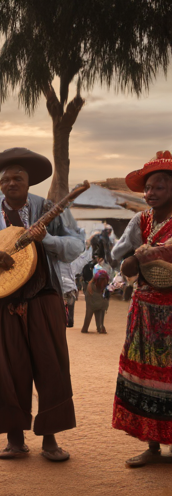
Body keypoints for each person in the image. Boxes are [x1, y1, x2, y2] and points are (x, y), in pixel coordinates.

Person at [0, 147, 84, 462]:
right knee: (1, 367)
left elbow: (76, 244)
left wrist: (46, 240)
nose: (11, 183)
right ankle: (15, 439)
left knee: (50, 366)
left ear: (29, 181)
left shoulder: (50, 208)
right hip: (1, 300)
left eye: (18, 177)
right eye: (5, 179)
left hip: (44, 299)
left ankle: (50, 440)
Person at [110, 150, 172, 467]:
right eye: (148, 188)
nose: (150, 193)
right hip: (144, 309)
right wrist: (128, 259)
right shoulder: (141, 220)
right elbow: (119, 256)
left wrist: (147, 254)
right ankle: (152, 445)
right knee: (146, 377)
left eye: (159, 186)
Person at [81, 269, 110, 334]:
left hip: (93, 299)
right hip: (94, 300)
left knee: (90, 313)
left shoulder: (92, 284)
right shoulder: (94, 285)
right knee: (98, 312)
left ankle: (88, 328)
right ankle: (100, 327)